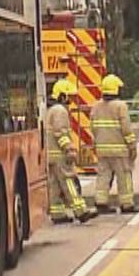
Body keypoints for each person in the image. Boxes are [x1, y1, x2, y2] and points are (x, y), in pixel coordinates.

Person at [41, 78, 93, 222]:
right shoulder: (60, 110)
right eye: (68, 96)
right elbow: (61, 132)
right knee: (68, 180)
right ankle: (80, 211)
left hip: (50, 155)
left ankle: (57, 214)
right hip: (60, 155)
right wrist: (69, 149)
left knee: (54, 186)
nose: (69, 100)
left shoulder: (50, 110)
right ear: (62, 96)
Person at [90, 73, 138, 213]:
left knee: (103, 177)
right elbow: (126, 128)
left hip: (102, 150)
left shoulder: (96, 106)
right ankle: (126, 204)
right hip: (120, 150)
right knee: (124, 177)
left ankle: (101, 203)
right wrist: (132, 145)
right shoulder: (120, 106)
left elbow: (92, 127)